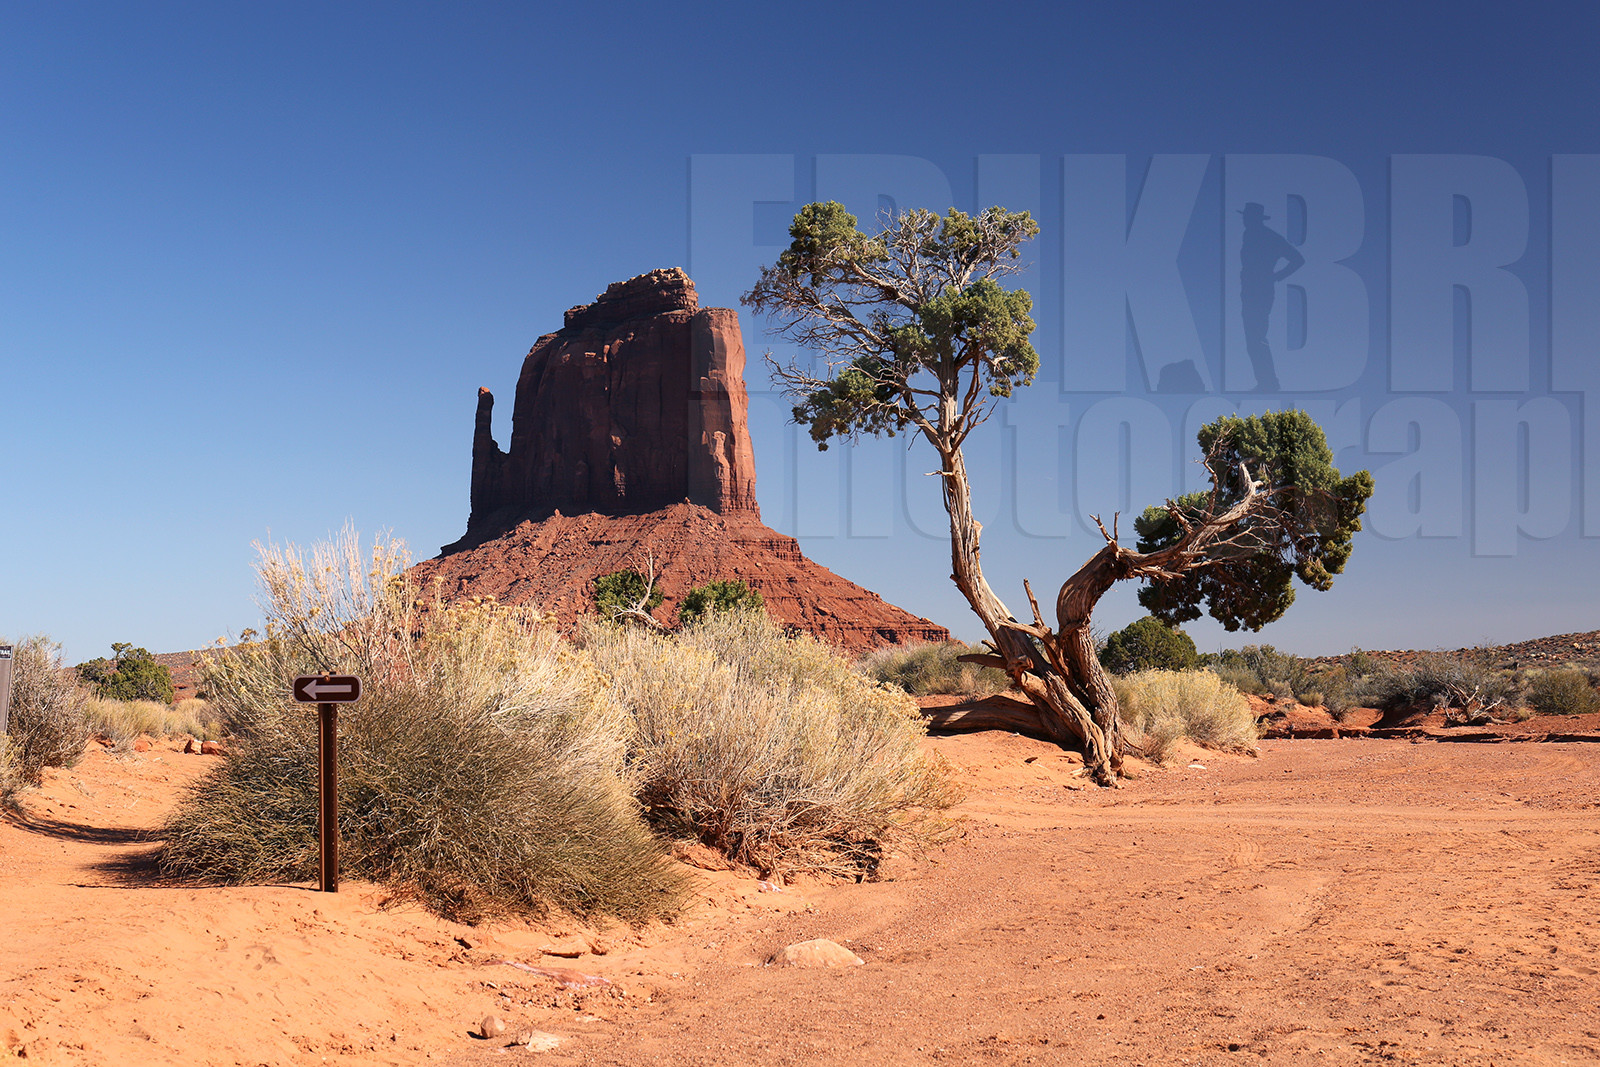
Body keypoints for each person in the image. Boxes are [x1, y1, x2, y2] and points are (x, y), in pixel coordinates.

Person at [1238, 202, 1304, 393]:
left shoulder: (1269, 237)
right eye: (1245, 217)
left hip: (1260, 290)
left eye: (1248, 217)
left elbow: (1298, 259)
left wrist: (1276, 276)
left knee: (1256, 336)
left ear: (1255, 218)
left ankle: (1269, 383)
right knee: (1252, 338)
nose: (1245, 220)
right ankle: (1265, 381)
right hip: (1249, 290)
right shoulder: (1248, 235)